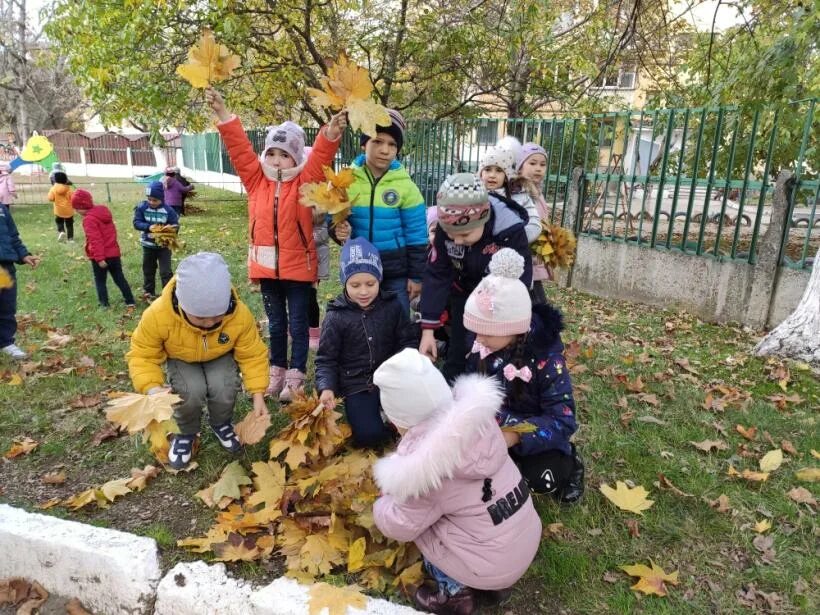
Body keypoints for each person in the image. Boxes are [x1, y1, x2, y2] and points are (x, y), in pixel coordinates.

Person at [205, 86, 347, 402]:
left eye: (285, 155)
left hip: (299, 269)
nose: (278, 160)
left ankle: (296, 375)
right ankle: (277, 371)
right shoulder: (255, 179)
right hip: (267, 267)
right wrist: (224, 115)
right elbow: (239, 148)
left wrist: (331, 133)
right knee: (276, 324)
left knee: (298, 324)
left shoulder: (304, 180)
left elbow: (322, 154)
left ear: (296, 158)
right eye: (272, 153)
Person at [372, 349, 541, 614]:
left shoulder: (427, 470)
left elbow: (399, 526)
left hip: (490, 563)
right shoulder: (482, 426)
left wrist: (384, 503)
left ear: (398, 421)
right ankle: (493, 583)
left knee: (423, 526)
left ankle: (454, 594)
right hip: (523, 541)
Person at [126, 252, 270, 470]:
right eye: (200, 317)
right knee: (189, 391)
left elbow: (252, 354)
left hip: (219, 355)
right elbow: (142, 353)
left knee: (224, 386)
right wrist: (152, 388)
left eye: (216, 315)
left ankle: (221, 423)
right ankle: (186, 432)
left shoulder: (238, 315)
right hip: (181, 358)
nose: (209, 322)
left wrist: (258, 394)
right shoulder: (158, 315)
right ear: (183, 304)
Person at [463, 248, 585, 503]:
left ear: (513, 327)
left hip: (536, 436)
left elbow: (562, 421)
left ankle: (571, 464)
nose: (478, 339)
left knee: (540, 480)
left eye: (485, 331)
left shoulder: (547, 361)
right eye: (476, 331)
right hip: (495, 430)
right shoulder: (484, 345)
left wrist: (515, 435)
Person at [419, 172, 531, 383]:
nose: (458, 242)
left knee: (499, 352)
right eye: (452, 235)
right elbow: (437, 274)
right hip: (464, 294)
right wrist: (428, 331)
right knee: (460, 350)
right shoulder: (447, 228)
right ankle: (454, 394)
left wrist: (512, 321)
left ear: (484, 217)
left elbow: (521, 281)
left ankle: (503, 391)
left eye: (465, 235)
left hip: (502, 301)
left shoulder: (509, 231)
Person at [315, 238, 416, 448]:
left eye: (370, 284)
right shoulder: (336, 316)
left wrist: (409, 367)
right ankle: (379, 421)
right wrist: (326, 388)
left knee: (417, 419)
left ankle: (391, 418)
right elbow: (326, 359)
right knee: (369, 436)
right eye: (355, 285)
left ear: (379, 280)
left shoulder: (392, 306)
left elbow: (407, 341)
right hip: (356, 384)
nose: (363, 291)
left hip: (391, 378)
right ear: (344, 282)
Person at [331, 109, 427, 314]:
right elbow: (335, 219)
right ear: (364, 143)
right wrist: (337, 230)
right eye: (377, 141)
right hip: (359, 269)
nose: (385, 150)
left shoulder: (406, 186)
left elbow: (417, 235)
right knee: (361, 325)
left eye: (392, 144)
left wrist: (416, 277)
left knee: (398, 322)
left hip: (395, 271)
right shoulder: (346, 181)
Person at [71, 189, 136, 309]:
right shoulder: (103, 212)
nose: (75, 211)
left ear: (81, 206)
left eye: (76, 208)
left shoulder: (89, 220)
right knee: (119, 278)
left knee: (100, 281)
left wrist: (99, 258)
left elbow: (95, 240)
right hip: (114, 254)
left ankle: (104, 304)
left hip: (101, 257)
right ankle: (130, 300)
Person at [478, 137, 541, 244]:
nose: (492, 175)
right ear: (480, 173)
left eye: (499, 170)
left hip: (510, 250)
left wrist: (514, 239)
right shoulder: (473, 194)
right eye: (488, 170)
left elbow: (534, 224)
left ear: (506, 176)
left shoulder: (520, 195)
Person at [0, 202, 40, 360]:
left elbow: (13, 236)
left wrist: (23, 254)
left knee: (6, 306)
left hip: (5, 267)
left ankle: (6, 342)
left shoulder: (2, 209)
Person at [516, 143, 551, 304]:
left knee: (535, 304)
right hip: (523, 259)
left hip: (535, 258)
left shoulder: (538, 192)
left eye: (542, 165)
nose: (538, 168)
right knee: (537, 306)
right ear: (519, 166)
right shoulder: (519, 193)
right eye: (532, 163)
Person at [133, 180, 179, 301]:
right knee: (148, 269)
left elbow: (175, 226)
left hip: (164, 248)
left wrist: (168, 234)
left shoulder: (168, 211)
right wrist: (148, 227)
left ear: (162, 199)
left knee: (165, 271)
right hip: (148, 246)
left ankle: (168, 294)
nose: (151, 202)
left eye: (155, 200)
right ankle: (149, 292)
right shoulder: (142, 207)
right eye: (149, 199)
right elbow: (136, 223)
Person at [47, 171, 75, 242]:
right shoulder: (68, 188)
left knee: (59, 222)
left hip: (58, 210)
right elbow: (72, 198)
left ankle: (62, 231)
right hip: (68, 211)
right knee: (69, 225)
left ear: (55, 180)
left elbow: (50, 198)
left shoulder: (53, 188)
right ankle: (70, 238)